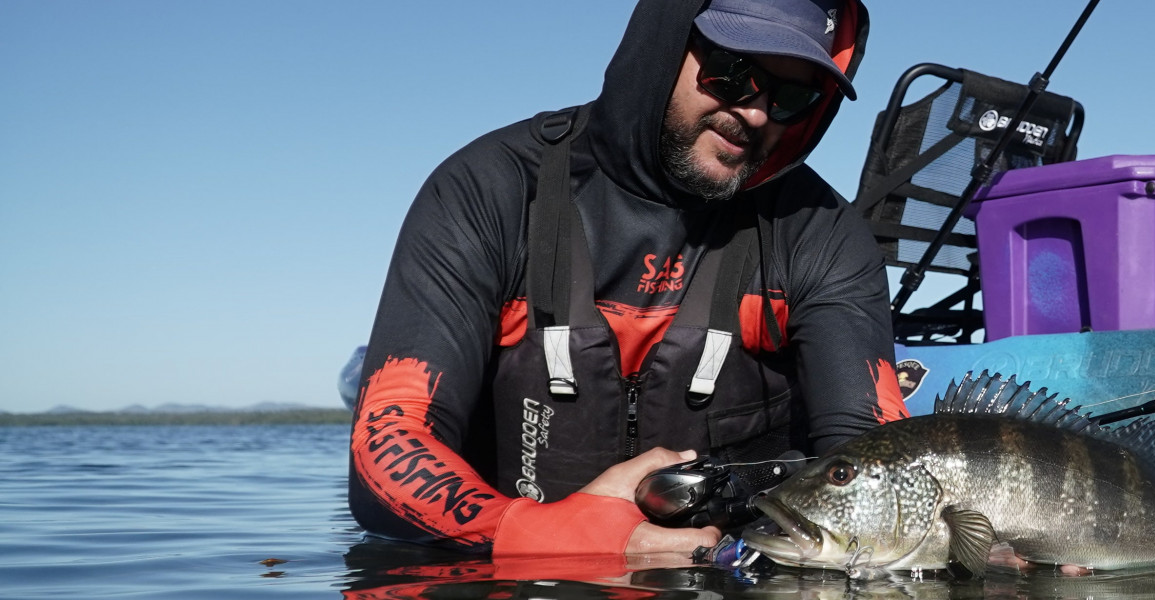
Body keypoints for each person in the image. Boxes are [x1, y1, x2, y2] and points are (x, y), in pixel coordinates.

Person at [349, 0, 906, 558]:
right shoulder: (488, 191)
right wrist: (543, 536)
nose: (757, 115)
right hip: (507, 571)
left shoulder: (822, 232)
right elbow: (390, 440)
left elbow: (872, 450)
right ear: (661, 45)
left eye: (791, 97)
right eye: (734, 74)